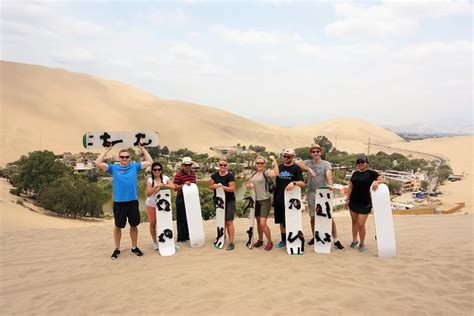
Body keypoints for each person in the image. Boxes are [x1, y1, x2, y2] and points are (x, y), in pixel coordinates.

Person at [95, 145, 153, 260]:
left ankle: (134, 247)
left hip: (132, 201)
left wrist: (142, 148)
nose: (124, 159)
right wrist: (107, 149)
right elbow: (97, 163)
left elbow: (150, 161)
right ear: (119, 158)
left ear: (130, 158)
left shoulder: (134, 166)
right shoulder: (113, 168)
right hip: (119, 202)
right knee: (118, 226)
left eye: (127, 157)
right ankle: (117, 249)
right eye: (122, 157)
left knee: (133, 225)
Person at [295, 144, 345, 251]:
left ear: (321, 153)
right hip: (312, 193)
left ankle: (336, 240)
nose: (315, 153)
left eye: (317, 151)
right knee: (313, 218)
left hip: (324, 193)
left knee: (329, 217)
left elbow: (329, 175)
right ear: (311, 153)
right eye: (313, 151)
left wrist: (330, 184)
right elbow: (296, 162)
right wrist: (309, 169)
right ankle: (315, 237)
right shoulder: (308, 162)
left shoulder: (326, 164)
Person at [345, 153, 385, 252]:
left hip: (365, 202)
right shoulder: (355, 173)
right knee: (354, 222)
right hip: (353, 201)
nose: (360, 164)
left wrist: (377, 182)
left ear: (367, 162)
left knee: (360, 224)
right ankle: (354, 240)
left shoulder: (372, 173)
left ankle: (362, 244)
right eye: (358, 162)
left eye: (362, 162)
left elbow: (383, 180)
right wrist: (347, 199)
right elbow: (351, 186)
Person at [246, 155, 279, 251]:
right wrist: (249, 185)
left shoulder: (266, 172)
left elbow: (276, 173)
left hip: (265, 200)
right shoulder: (253, 174)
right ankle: (260, 240)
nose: (260, 164)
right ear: (255, 164)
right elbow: (248, 185)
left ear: (264, 164)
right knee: (258, 222)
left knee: (262, 223)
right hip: (255, 201)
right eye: (258, 163)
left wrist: (274, 160)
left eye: (262, 163)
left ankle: (269, 241)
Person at [273, 149, 305, 248]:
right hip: (279, 197)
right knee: (281, 221)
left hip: (291, 200)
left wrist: (294, 182)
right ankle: (283, 240)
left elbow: (302, 183)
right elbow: (272, 176)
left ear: (293, 157)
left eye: (289, 156)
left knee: (291, 219)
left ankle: (293, 238)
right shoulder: (279, 167)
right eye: (285, 156)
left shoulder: (296, 169)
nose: (286, 158)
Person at [145, 162, 174, 250]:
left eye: (159, 169)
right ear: (152, 171)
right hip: (151, 205)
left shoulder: (165, 178)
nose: (157, 171)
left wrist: (164, 185)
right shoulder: (150, 180)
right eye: (155, 170)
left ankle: (167, 240)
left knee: (165, 222)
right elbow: (148, 194)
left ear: (161, 170)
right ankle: (155, 242)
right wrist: (155, 187)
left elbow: (173, 186)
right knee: (153, 223)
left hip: (163, 205)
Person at [209, 159, 237, 250]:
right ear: (218, 165)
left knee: (229, 221)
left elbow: (232, 189)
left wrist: (223, 187)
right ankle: (221, 237)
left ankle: (232, 242)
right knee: (221, 220)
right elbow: (210, 186)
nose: (223, 167)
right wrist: (215, 186)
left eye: (224, 165)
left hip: (229, 201)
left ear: (227, 166)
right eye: (221, 165)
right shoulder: (214, 175)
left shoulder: (230, 176)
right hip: (218, 200)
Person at [173, 157, 197, 243]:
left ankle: (187, 235)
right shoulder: (178, 175)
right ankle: (181, 237)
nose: (187, 166)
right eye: (186, 165)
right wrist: (183, 185)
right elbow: (175, 188)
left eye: (189, 165)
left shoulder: (193, 174)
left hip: (191, 199)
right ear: (183, 165)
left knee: (190, 218)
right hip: (181, 199)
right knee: (181, 219)